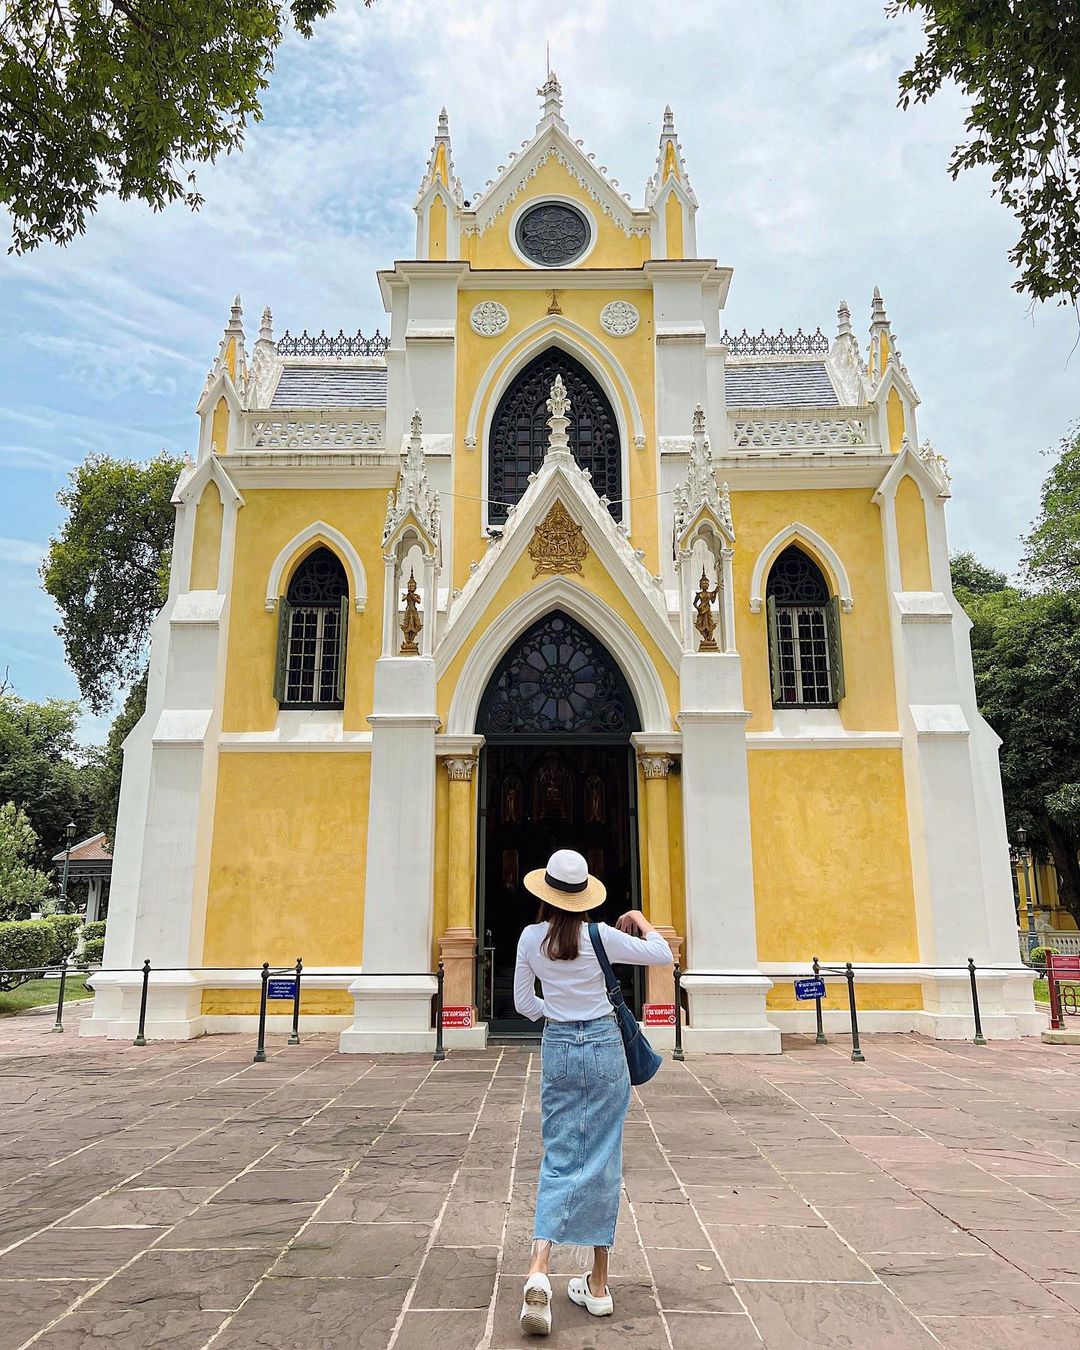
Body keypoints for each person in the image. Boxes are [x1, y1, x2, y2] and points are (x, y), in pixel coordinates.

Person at [514, 848, 672, 1336]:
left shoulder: (530, 938)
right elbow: (664, 955)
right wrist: (639, 917)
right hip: (605, 1046)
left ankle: (539, 1267)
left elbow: (523, 1004)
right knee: (604, 1156)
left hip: (560, 1047)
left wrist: (555, 1009)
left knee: (559, 1155)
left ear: (545, 894)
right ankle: (598, 1286)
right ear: (585, 896)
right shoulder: (600, 935)